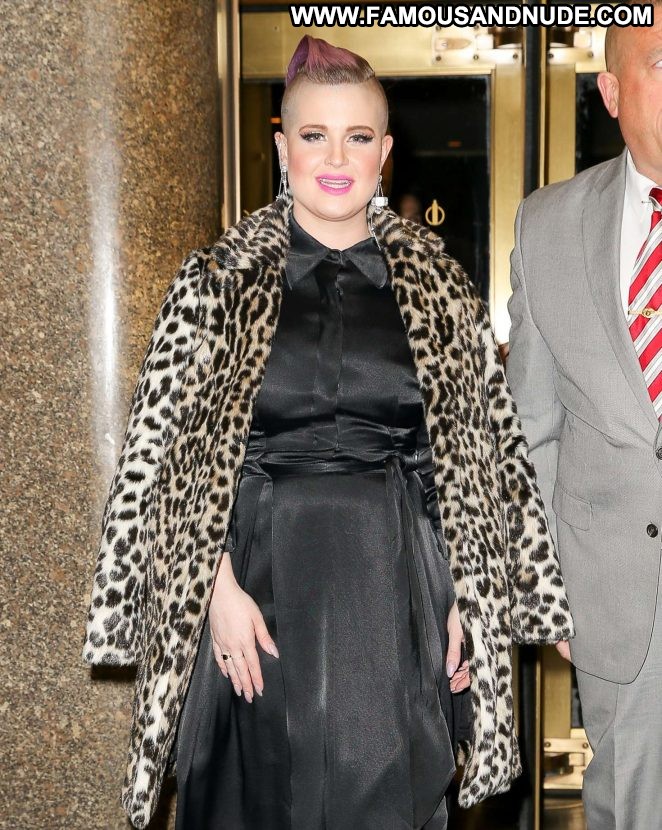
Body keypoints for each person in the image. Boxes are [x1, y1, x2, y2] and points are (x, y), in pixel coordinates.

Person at [83, 36, 573, 830]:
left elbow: (471, 471)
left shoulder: (443, 291)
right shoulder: (215, 283)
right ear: (284, 148)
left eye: (357, 136)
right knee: (252, 803)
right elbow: (163, 461)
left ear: (385, 152)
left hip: (393, 590)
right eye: (315, 135)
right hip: (253, 588)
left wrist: (466, 599)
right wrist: (214, 589)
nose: (336, 158)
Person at [506, 3, 662, 828]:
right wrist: (545, 583)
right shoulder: (548, 224)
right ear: (610, 91)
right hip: (617, 602)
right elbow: (531, 429)